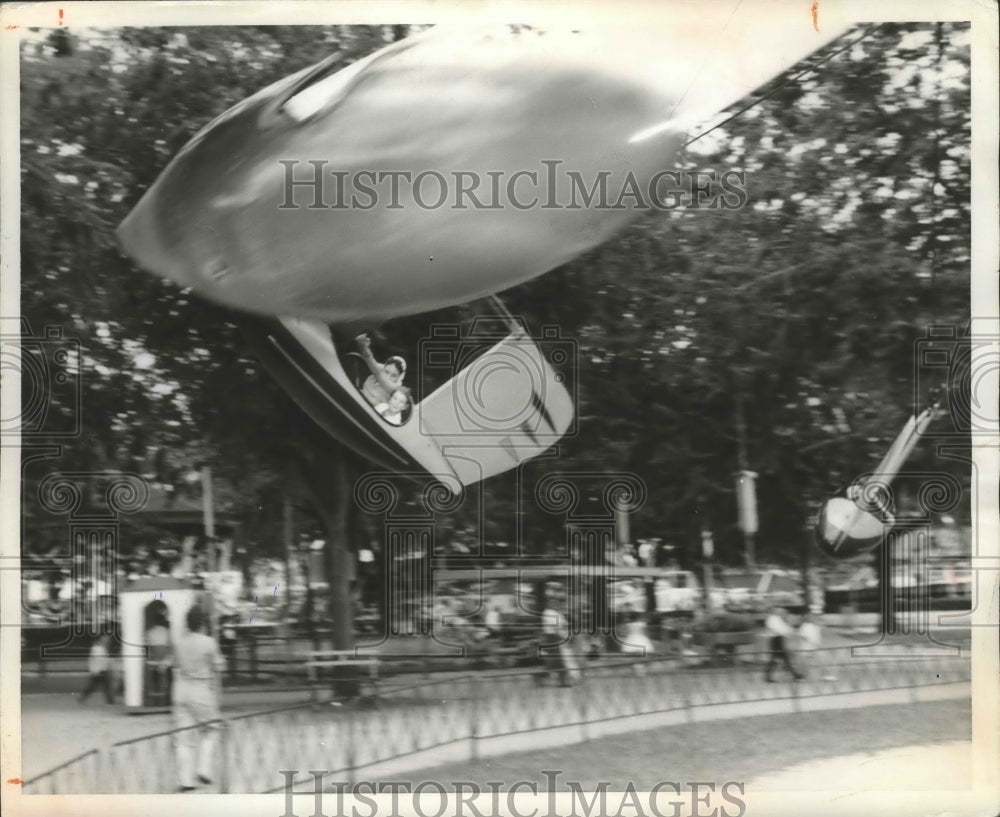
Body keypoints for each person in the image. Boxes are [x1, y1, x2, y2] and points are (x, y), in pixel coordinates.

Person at [172, 605, 226, 792]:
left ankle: (185, 781)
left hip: (181, 689)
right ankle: (203, 768)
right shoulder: (209, 642)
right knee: (211, 728)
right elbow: (219, 666)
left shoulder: (179, 643)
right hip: (200, 688)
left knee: (182, 737)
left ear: (188, 624)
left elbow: (176, 665)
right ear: (202, 623)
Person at [356, 333, 406, 408]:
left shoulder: (395, 389)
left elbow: (374, 368)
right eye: (387, 372)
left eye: (393, 376)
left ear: (399, 377)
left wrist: (363, 347)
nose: (387, 377)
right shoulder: (380, 370)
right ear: (384, 367)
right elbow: (372, 364)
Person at [763, 606, 803, 682]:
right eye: (780, 611)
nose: (782, 612)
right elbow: (779, 629)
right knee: (777, 658)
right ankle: (794, 674)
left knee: (783, 658)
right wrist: (790, 632)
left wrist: (791, 631)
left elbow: (784, 628)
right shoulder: (772, 619)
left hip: (778, 639)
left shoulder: (777, 618)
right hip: (775, 640)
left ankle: (794, 674)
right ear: (775, 611)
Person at [80, 633, 115, 704]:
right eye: (106, 639)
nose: (108, 641)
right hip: (99, 670)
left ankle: (110, 700)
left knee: (102, 686)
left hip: (101, 670)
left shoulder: (101, 648)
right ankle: (110, 700)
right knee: (95, 686)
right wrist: (96, 670)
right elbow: (97, 660)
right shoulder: (98, 649)